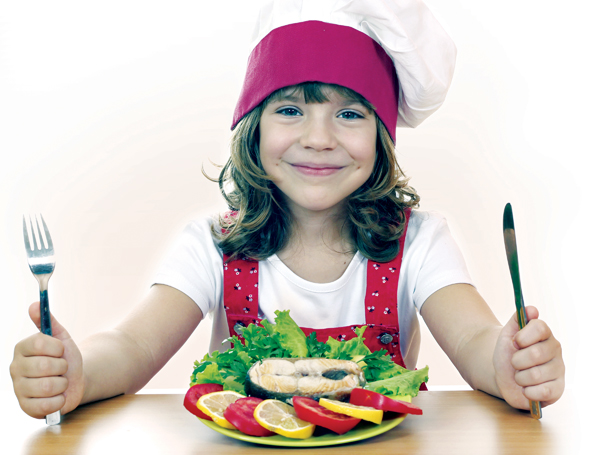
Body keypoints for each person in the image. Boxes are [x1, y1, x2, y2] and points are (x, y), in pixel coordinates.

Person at [10, 0, 564, 420]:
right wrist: (76, 374)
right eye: (291, 109)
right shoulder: (210, 242)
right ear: (253, 129)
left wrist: (507, 362)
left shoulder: (420, 242)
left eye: (350, 114)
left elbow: (472, 339)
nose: (318, 138)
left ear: (383, 137)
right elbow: (132, 346)